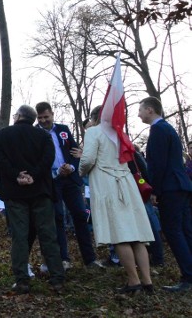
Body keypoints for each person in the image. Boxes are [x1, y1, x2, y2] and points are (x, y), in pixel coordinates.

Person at [79, 106, 154, 294]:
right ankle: (147, 281)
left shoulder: (94, 131)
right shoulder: (120, 133)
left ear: (95, 118)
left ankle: (133, 281)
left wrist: (80, 171)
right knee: (138, 236)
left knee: (120, 234)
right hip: (128, 184)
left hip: (108, 184)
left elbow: (87, 159)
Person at [0, 105, 65, 294]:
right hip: (40, 190)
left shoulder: (2, 136)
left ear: (17, 116)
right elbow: (48, 159)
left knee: (20, 236)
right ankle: (57, 278)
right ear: (33, 119)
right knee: (48, 234)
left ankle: (22, 280)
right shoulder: (44, 136)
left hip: (15, 193)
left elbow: (0, 161)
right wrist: (33, 174)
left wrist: (17, 175)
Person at [35, 101, 100, 269]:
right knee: (58, 218)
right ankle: (63, 259)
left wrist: (71, 166)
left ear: (52, 114)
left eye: (46, 117)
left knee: (80, 215)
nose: (43, 121)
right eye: (40, 118)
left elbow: (75, 151)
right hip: (51, 181)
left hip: (70, 179)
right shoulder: (35, 133)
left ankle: (90, 259)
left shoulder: (63, 129)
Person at [140, 96, 192, 292]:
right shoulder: (168, 128)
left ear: (150, 110)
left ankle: (188, 277)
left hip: (170, 188)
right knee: (186, 230)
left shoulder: (158, 130)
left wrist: (155, 190)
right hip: (182, 186)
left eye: (141, 110)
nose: (139, 114)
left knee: (173, 231)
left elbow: (158, 164)